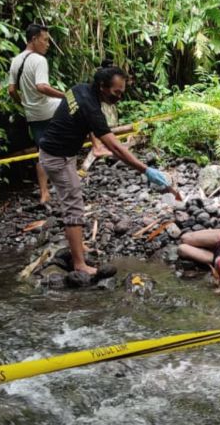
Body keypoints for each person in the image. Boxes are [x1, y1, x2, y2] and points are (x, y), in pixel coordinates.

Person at [37, 64, 171, 276]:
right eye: (116, 92)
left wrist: (95, 145)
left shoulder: (79, 89)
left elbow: (78, 118)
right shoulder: (91, 108)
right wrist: (146, 170)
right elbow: (116, 147)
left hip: (54, 151)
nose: (119, 97)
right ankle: (79, 264)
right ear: (102, 86)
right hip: (57, 158)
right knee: (74, 208)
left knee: (73, 200)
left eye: (122, 92)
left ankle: (77, 247)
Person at [8, 23, 66, 203]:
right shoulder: (39, 60)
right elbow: (41, 86)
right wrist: (65, 95)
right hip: (49, 110)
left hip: (33, 114)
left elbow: (11, 90)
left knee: (43, 152)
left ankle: (44, 193)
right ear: (34, 39)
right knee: (77, 104)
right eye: (45, 40)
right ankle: (96, 144)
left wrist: (24, 103)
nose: (47, 44)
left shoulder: (15, 60)